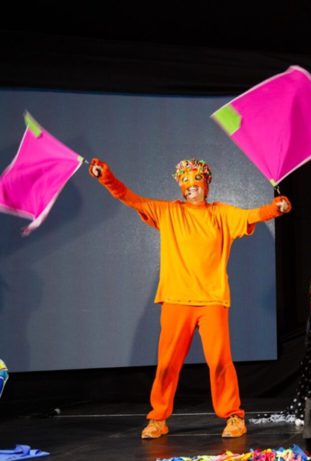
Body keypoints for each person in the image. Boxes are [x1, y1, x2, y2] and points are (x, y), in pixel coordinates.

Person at [89, 158, 291, 439]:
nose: (191, 186)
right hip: (176, 299)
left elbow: (251, 215)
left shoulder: (221, 213)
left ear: (206, 185)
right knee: (167, 363)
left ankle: (233, 416)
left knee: (220, 361)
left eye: (196, 181)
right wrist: (106, 177)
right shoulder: (168, 212)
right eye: (185, 182)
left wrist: (275, 208)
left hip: (212, 300)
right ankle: (158, 418)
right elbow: (130, 198)